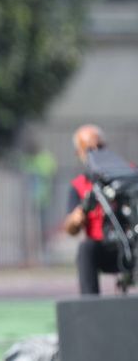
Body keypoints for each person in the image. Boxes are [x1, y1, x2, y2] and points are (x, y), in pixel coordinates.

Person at [62, 124, 119, 295]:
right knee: (85, 249)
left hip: (132, 246)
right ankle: (90, 305)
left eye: (99, 147)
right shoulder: (79, 186)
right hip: (103, 249)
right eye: (88, 149)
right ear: (79, 153)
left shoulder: (127, 174)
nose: (95, 152)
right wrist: (75, 219)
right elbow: (70, 228)